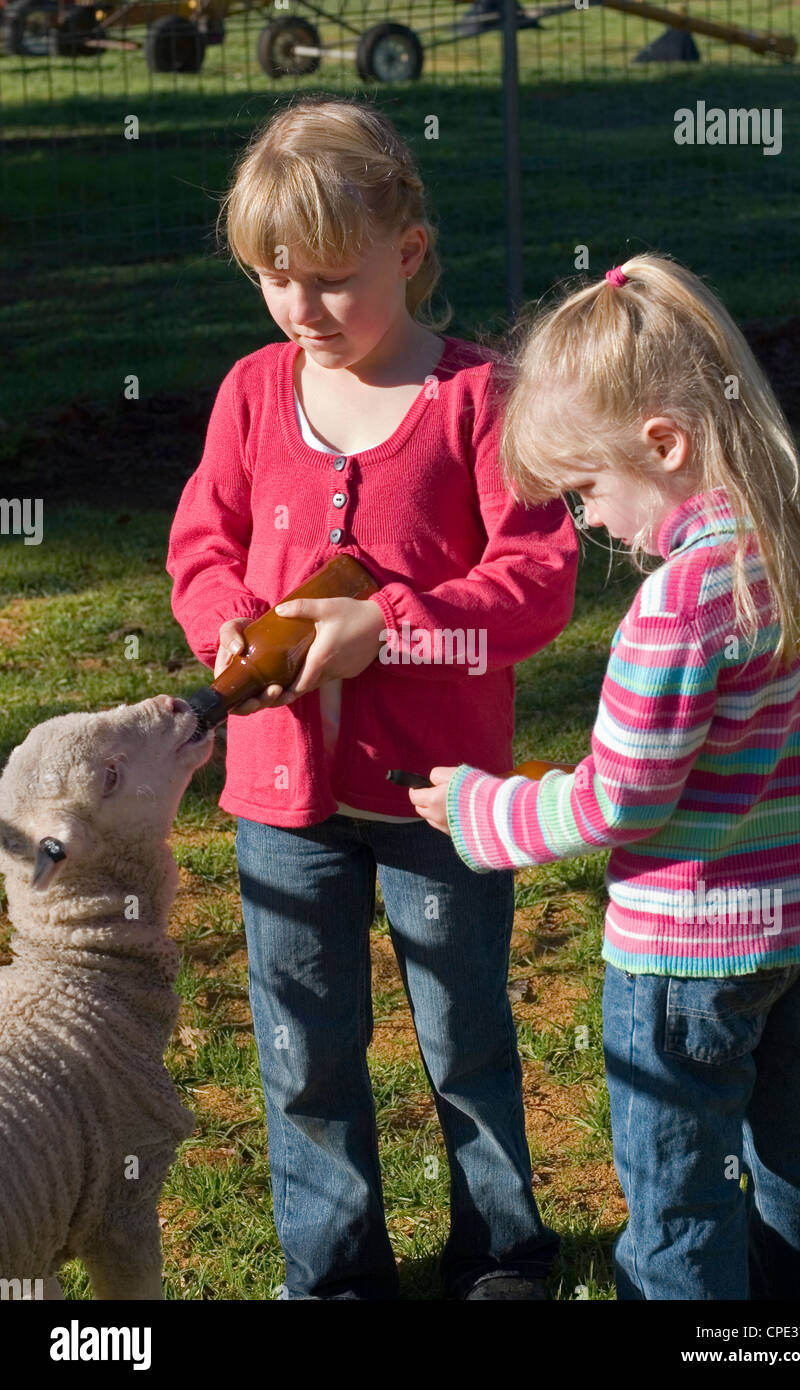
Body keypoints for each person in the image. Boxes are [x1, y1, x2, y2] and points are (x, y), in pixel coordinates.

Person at [165, 95, 579, 1301]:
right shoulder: (251, 393)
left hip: (444, 804)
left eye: (332, 279)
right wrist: (228, 620)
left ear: (408, 250)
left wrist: (387, 628)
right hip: (279, 803)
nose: (301, 309)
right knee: (303, 1050)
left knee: (465, 1040)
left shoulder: (478, 401)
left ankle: (501, 1255)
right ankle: (333, 1273)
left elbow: (537, 581)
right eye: (272, 280)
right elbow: (203, 546)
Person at [410, 254, 800, 1300]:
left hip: (683, 954)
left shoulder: (676, 604)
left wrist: (481, 808)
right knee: (792, 1144)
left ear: (660, 443)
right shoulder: (797, 546)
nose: (589, 521)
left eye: (584, 489)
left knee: (676, 1192)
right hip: (794, 929)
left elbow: (621, 797)